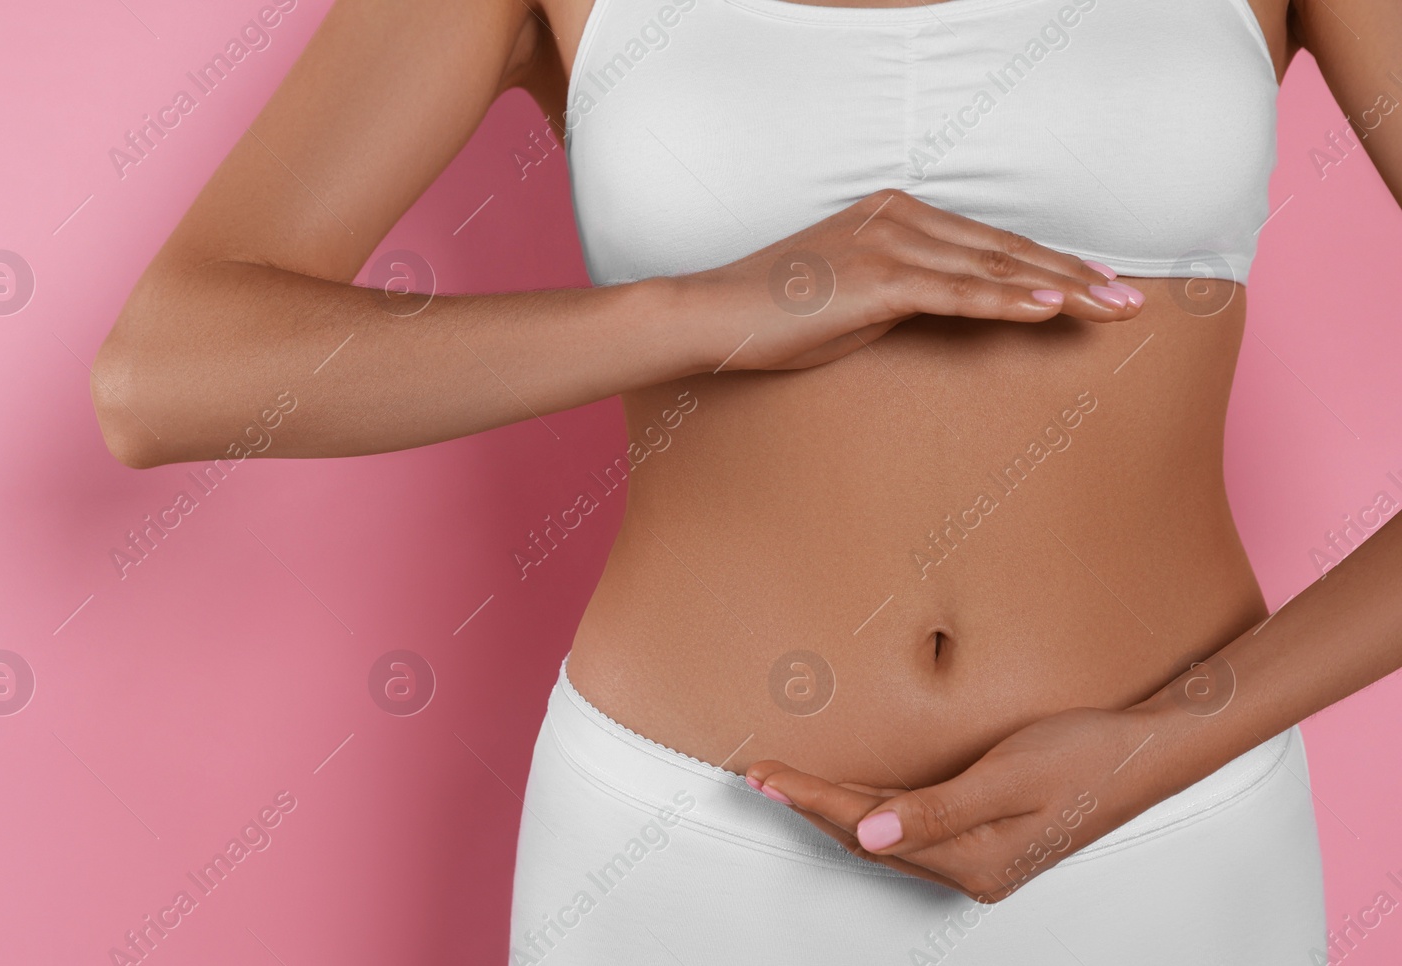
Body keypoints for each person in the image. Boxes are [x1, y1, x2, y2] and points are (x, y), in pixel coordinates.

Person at [90, 0, 1402, 961]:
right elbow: (168, 373)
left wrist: (1166, 747)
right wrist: (714, 308)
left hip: (1167, 840)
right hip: (682, 842)